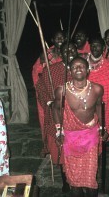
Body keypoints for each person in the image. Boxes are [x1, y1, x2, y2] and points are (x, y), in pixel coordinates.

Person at [52, 56, 106, 197]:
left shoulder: (97, 89)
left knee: (90, 178)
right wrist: (59, 131)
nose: (78, 69)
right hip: (70, 138)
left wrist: (102, 128)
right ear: (69, 71)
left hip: (90, 136)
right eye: (74, 66)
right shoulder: (62, 91)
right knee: (75, 180)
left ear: (87, 70)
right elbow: (55, 108)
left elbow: (100, 106)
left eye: (81, 66)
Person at [35, 41, 78, 192]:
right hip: (58, 115)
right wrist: (49, 102)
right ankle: (66, 180)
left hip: (77, 117)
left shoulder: (81, 68)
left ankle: (77, 178)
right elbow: (40, 87)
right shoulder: (51, 70)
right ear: (60, 54)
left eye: (73, 49)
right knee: (61, 150)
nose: (70, 53)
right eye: (66, 51)